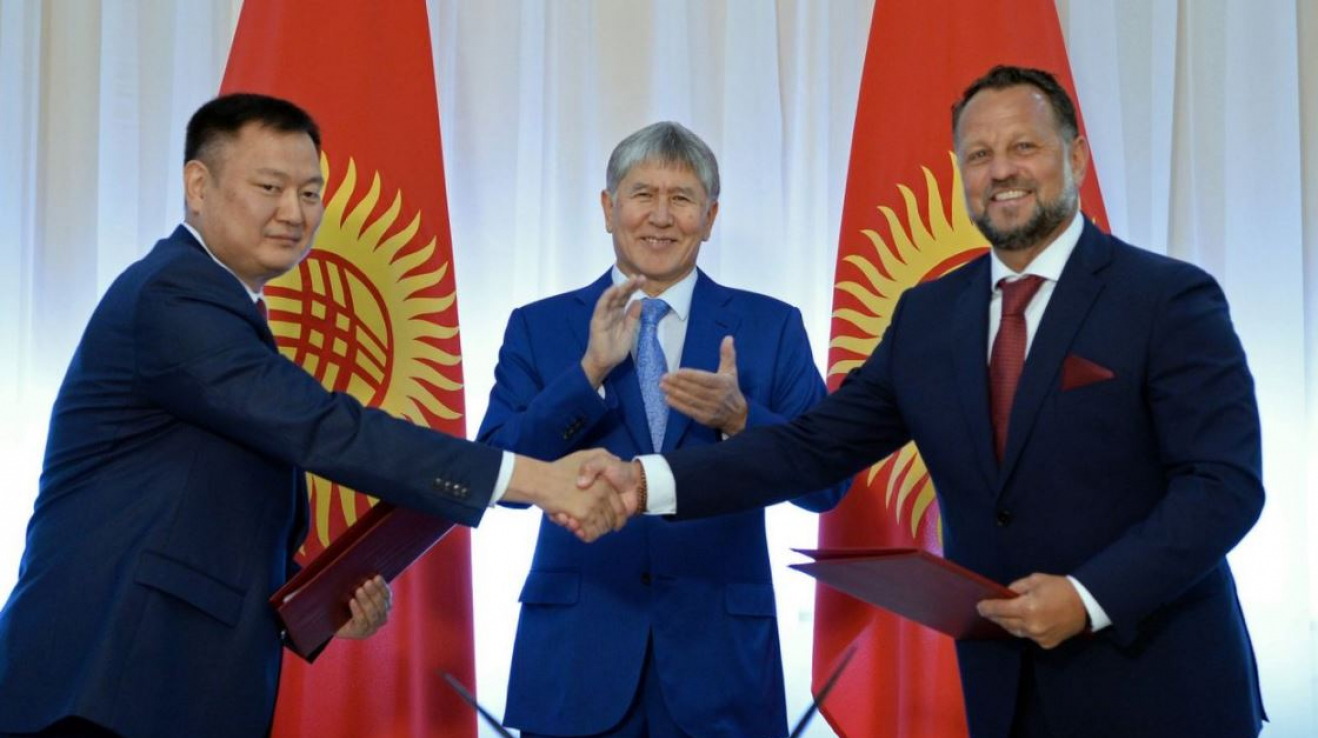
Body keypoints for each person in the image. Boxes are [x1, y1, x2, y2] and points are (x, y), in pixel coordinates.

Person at [584, 67, 1266, 738]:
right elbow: (811, 447)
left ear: (1076, 157)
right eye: (979, 155)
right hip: (1003, 690)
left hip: (1159, 686)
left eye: (1023, 146)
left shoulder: (1168, 298)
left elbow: (1223, 486)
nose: (1002, 171)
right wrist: (645, 483)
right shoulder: (928, 316)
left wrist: (1089, 599)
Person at [0, 93, 627, 738]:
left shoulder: (219, 304)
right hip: (103, 680)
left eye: (309, 193)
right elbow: (326, 428)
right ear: (198, 185)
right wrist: (537, 480)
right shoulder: (173, 296)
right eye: (270, 187)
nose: (294, 213)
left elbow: (193, 504)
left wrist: (313, 600)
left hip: (165, 682)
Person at [477, 121, 845, 738]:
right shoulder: (539, 327)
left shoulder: (771, 326)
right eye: (643, 194)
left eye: (682, 198)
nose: (661, 216)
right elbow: (497, 475)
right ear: (608, 208)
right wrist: (588, 373)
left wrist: (742, 419)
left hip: (721, 666)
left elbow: (827, 485)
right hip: (577, 661)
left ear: (711, 216)